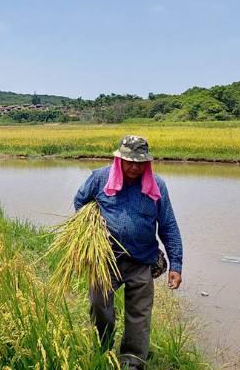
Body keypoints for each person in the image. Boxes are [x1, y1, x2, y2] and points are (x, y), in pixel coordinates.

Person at [73, 135, 183, 369]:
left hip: (141, 260)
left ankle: (132, 361)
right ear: (119, 159)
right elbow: (80, 204)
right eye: (129, 161)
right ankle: (103, 350)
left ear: (147, 162)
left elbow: (168, 225)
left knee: (139, 315)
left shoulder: (157, 185)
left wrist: (176, 265)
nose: (134, 167)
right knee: (99, 306)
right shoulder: (100, 178)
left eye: (139, 162)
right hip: (105, 259)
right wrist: (90, 230)